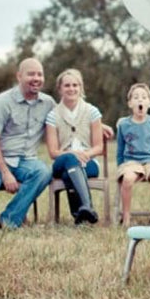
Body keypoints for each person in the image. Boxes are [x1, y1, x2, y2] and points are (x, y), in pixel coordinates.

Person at [0, 58, 55, 228]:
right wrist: (5, 172)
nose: (36, 78)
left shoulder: (48, 103)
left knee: (43, 172)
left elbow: (67, 117)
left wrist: (98, 124)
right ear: (19, 76)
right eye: (31, 74)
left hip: (26, 161)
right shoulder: (2, 102)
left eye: (40, 74)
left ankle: (9, 219)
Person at [45, 68, 103, 224]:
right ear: (60, 89)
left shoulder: (92, 112)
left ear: (81, 87)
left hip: (88, 161)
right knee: (70, 159)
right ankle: (88, 206)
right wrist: (71, 154)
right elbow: (53, 152)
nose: (71, 89)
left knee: (68, 173)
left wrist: (86, 154)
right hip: (61, 161)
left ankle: (80, 213)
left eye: (75, 85)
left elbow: (99, 147)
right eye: (67, 85)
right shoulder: (52, 115)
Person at [116, 83, 150, 227]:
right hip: (131, 162)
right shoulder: (124, 125)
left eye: (144, 97)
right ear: (130, 103)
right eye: (136, 97)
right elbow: (120, 148)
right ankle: (126, 217)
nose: (140, 100)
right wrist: (120, 166)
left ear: (149, 103)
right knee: (127, 180)